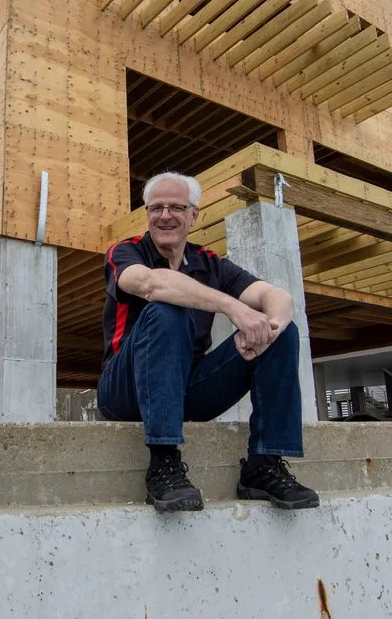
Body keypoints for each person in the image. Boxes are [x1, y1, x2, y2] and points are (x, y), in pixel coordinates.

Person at [97, 172, 319, 513]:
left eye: (176, 207)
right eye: (156, 208)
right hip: (124, 392)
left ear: (193, 215)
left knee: (280, 331)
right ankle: (164, 462)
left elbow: (277, 296)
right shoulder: (126, 251)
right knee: (168, 310)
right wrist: (233, 307)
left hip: (188, 391)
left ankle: (264, 466)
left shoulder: (210, 263)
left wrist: (266, 327)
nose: (165, 215)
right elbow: (152, 285)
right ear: (147, 214)